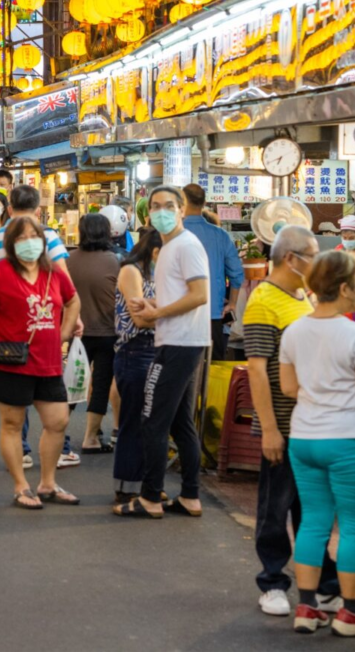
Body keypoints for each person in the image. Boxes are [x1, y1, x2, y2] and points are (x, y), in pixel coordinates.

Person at [278, 251, 355, 638]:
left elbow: (289, 388)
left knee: (313, 522)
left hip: (305, 438)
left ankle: (307, 608)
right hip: (351, 440)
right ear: (343, 288)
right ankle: (352, 613)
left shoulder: (294, 330)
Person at [242, 226, 342, 617]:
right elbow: (256, 370)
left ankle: (326, 585)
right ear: (291, 259)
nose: (317, 261)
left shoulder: (304, 294)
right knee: (275, 508)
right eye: (313, 255)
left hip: (312, 426)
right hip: (282, 426)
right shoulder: (263, 301)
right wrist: (268, 428)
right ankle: (271, 582)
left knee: (312, 510)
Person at [0, 217, 82, 510]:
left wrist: (64, 332)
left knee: (58, 421)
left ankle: (48, 483)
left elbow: (73, 300)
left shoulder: (52, 273)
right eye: (22, 237)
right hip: (9, 360)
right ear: (12, 244)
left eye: (34, 236)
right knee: (12, 423)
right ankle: (21, 485)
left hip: (48, 360)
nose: (30, 242)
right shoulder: (0, 272)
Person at [118, 186, 210, 519]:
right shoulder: (169, 247)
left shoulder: (186, 245)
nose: (161, 211)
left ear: (182, 209)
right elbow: (181, 296)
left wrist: (155, 314)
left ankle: (150, 498)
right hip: (180, 340)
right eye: (155, 206)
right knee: (180, 423)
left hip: (180, 343)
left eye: (169, 206)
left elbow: (200, 295)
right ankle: (190, 496)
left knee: (153, 420)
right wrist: (153, 303)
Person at [0, 184, 75, 466]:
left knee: (14, 398)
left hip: (6, 330)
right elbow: (65, 282)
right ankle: (61, 449)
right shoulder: (50, 237)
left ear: (9, 209)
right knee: (52, 393)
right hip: (45, 326)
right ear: (38, 210)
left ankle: (22, 450)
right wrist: (69, 322)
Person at [110, 228, 159, 507]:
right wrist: (169, 312)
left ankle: (143, 484)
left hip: (156, 349)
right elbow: (139, 318)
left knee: (148, 422)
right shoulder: (131, 271)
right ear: (154, 250)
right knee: (132, 422)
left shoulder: (154, 273)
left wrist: (160, 310)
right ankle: (126, 487)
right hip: (134, 351)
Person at [65, 213, 120, 454]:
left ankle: (58, 433)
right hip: (109, 332)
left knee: (72, 384)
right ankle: (90, 438)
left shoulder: (68, 260)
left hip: (77, 332)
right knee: (100, 386)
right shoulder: (115, 261)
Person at [180, 184, 244, 359]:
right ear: (204, 203)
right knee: (212, 370)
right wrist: (232, 303)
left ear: (181, 203)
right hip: (213, 315)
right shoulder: (220, 235)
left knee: (181, 372)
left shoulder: (172, 234)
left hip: (178, 315)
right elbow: (237, 275)